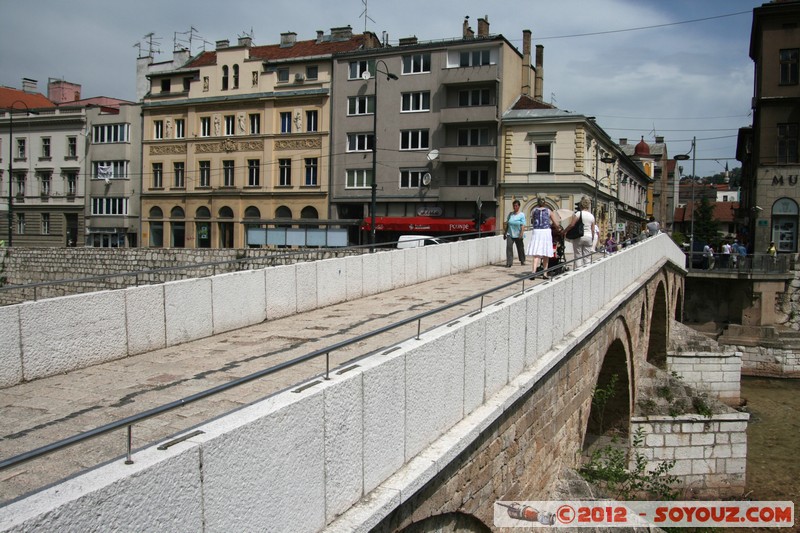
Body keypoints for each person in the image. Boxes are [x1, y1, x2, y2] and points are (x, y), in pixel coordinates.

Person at [526, 196, 558, 278]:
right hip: (546, 232)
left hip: (537, 231)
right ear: (545, 203)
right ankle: (545, 273)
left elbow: (533, 221)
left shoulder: (534, 211)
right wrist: (557, 228)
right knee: (545, 253)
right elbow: (555, 223)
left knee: (536, 254)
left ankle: (533, 272)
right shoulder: (549, 211)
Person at [563, 197, 595, 269]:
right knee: (587, 257)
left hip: (579, 236)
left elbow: (572, 225)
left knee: (578, 256)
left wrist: (564, 231)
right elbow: (593, 230)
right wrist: (592, 238)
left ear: (581, 205)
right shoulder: (592, 216)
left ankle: (578, 271)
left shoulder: (578, 214)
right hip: (589, 237)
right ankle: (587, 270)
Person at [505, 199, 526, 267]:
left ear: (519, 206)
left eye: (516, 206)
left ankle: (522, 260)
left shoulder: (521, 215)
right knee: (509, 247)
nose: (515, 207)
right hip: (510, 233)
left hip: (518, 233)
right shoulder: (510, 214)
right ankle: (509, 262)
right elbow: (508, 224)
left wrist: (521, 233)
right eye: (514, 206)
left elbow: (523, 225)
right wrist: (505, 233)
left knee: (520, 248)